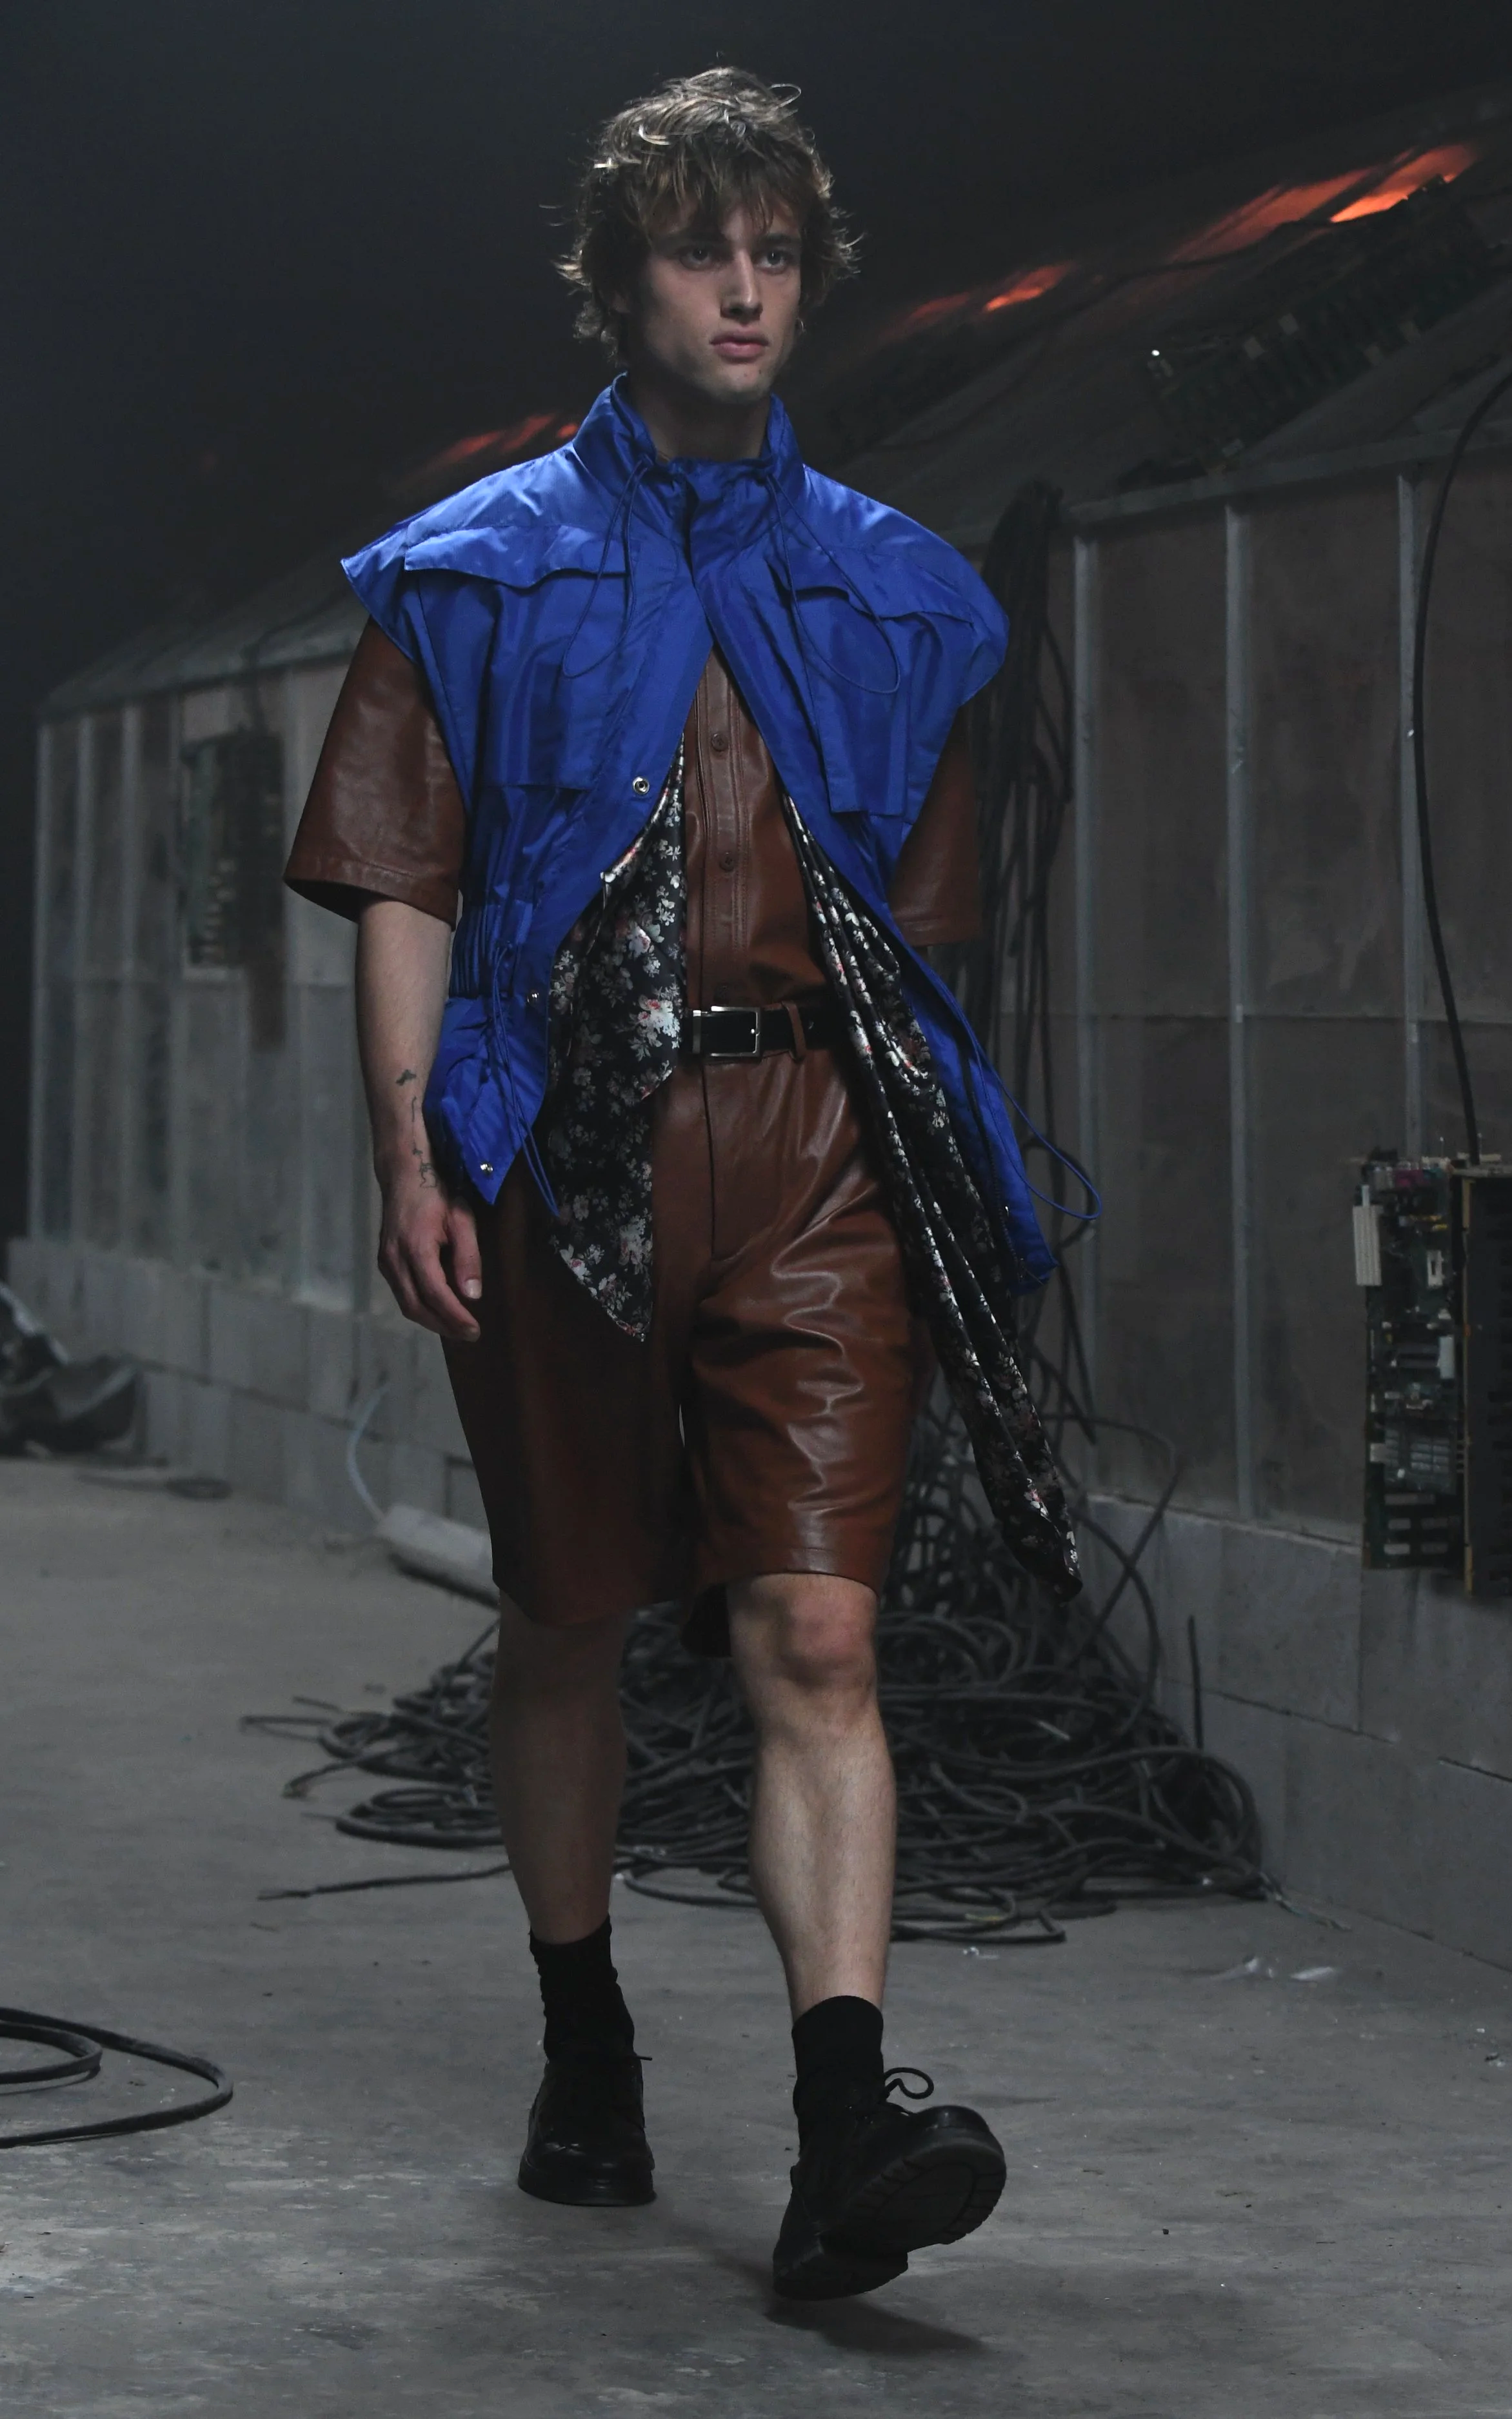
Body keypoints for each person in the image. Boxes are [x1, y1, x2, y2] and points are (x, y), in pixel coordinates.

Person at [285, 66, 1078, 2302]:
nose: (744, 289)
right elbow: (406, 880)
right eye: (698, 251)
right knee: (565, 1619)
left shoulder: (898, 592)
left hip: (816, 1151)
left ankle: (844, 2125)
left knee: (815, 1628)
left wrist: (939, 1177)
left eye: (776, 253)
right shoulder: (470, 569)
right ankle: (586, 2043)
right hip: (565, 1144)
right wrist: (412, 1147)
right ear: (617, 282)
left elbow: (918, 934)